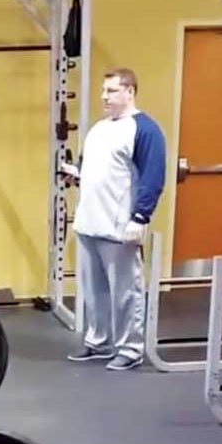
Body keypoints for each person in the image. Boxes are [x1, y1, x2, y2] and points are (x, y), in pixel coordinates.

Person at [66, 68, 166, 370]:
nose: (104, 97)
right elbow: (88, 169)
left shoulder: (145, 130)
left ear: (129, 92)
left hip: (119, 227)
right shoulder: (98, 129)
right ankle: (98, 342)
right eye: (103, 91)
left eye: (111, 91)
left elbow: (152, 177)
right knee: (93, 292)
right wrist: (74, 175)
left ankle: (130, 349)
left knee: (125, 293)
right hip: (88, 223)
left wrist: (140, 217)